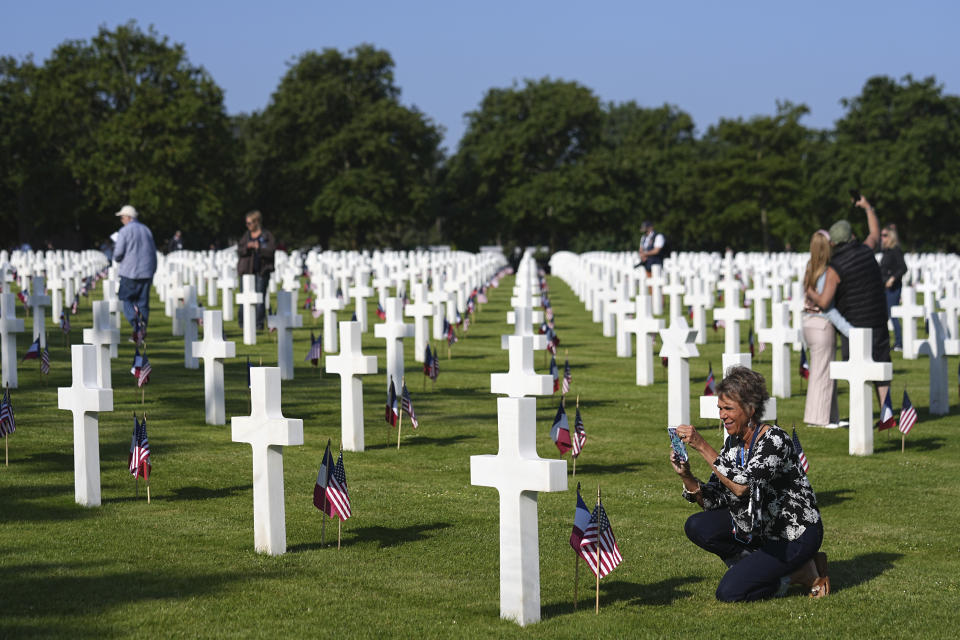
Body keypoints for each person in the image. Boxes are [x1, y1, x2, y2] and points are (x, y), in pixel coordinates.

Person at [670, 366, 828, 601]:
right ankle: (767, 568)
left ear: (750, 409)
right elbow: (716, 500)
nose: (722, 415)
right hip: (760, 528)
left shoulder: (775, 439)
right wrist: (687, 476)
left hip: (793, 534)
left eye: (729, 409)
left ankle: (797, 574)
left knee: (729, 593)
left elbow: (743, 486)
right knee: (698, 526)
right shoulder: (733, 445)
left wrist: (701, 445)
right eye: (720, 409)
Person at [805, 195, 890, 407]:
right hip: (878, 318)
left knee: (857, 370)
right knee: (881, 367)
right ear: (852, 236)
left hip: (854, 325)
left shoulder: (836, 267)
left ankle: (861, 414)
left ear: (833, 242)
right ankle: (885, 413)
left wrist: (810, 292)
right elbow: (874, 234)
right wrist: (868, 207)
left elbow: (824, 302)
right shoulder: (866, 250)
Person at [801, 230, 851, 428]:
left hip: (809, 323)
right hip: (822, 325)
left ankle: (831, 417)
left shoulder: (809, 268)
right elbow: (826, 306)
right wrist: (849, 330)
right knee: (823, 373)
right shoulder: (826, 272)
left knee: (823, 372)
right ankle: (818, 419)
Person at [112, 205, 157, 342]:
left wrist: (118, 257)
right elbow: (153, 251)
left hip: (130, 272)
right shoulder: (146, 230)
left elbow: (118, 254)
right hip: (146, 271)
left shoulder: (124, 231)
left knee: (126, 299)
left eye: (122, 217)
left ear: (128, 217)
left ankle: (136, 323)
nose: (121, 220)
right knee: (143, 303)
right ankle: (140, 332)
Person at [236, 210, 276, 330]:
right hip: (246, 271)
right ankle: (242, 322)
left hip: (261, 271)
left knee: (259, 298)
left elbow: (271, 251)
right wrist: (247, 247)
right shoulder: (246, 236)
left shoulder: (267, 236)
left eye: (250, 223)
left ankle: (258, 324)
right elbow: (239, 250)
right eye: (247, 223)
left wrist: (259, 248)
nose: (248, 226)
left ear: (257, 222)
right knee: (244, 297)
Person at [879, 225, 907, 351]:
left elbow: (903, 268)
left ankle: (899, 343)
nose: (882, 238)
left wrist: (893, 278)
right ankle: (885, 342)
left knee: (893, 314)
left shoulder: (895, 250)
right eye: (881, 235)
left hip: (893, 287)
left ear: (891, 237)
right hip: (884, 287)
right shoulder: (886, 251)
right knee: (884, 315)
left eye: (885, 235)